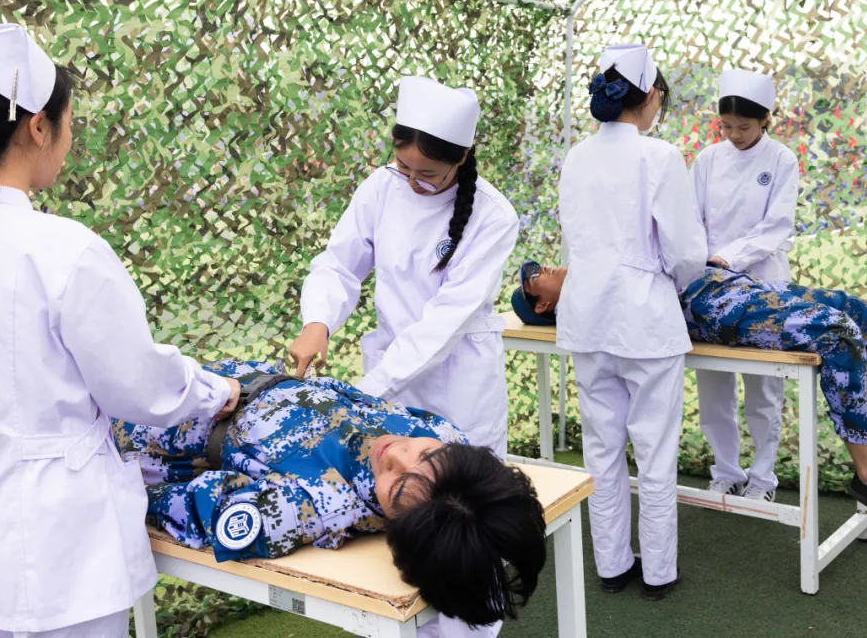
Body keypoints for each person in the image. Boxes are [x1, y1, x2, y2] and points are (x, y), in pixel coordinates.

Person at [0, 25, 242, 637]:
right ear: (39, 127)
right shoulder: (64, 251)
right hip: (67, 565)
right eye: (68, 122)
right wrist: (214, 391)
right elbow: (139, 387)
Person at [512, 260, 867, 534]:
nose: (543, 267)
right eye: (535, 277)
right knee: (839, 333)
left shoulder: (591, 262)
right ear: (543, 304)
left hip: (729, 281)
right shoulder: (585, 301)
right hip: (708, 305)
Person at [289, 75, 519, 636]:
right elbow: (338, 265)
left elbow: (443, 323)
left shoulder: (494, 216)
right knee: (405, 530)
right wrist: (318, 321)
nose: (413, 181)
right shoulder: (381, 187)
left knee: (467, 542)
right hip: (393, 387)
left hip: (459, 388)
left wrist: (366, 392)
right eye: (404, 167)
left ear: (462, 158)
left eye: (429, 174)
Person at [114, 359, 548, 630]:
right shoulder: (447, 439)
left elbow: (191, 508)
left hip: (153, 422)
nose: (396, 453)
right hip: (207, 375)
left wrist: (118, 481)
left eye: (397, 487)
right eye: (425, 455)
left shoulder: (311, 509)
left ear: (399, 527)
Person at [556, 44, 709, 600]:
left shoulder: (577, 157)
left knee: (602, 451)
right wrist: (674, 278)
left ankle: (613, 566)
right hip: (646, 322)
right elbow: (687, 253)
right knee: (655, 451)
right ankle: (659, 573)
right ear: (651, 97)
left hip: (587, 319)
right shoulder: (659, 156)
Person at [691, 69, 800, 502]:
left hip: (763, 283)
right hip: (711, 286)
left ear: (766, 120)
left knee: (764, 389)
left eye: (745, 126)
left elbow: (777, 226)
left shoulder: (781, 160)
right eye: (727, 126)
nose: (735, 135)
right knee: (713, 386)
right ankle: (726, 471)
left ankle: (763, 479)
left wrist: (729, 258)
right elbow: (692, 220)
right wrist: (706, 262)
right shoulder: (707, 160)